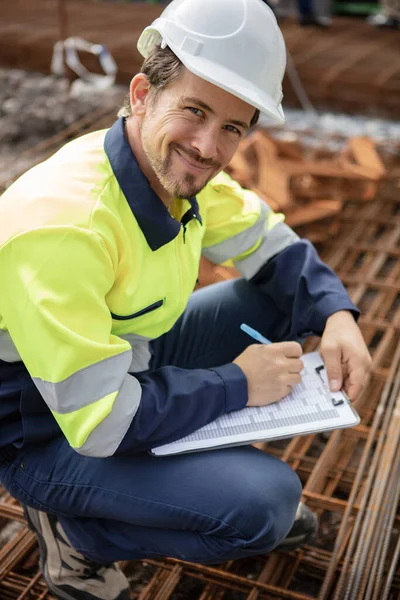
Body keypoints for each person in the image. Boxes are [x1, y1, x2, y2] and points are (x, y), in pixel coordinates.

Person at [0, 0, 371, 599]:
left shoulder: (168, 170)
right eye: (194, 111)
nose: (207, 146)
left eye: (232, 126)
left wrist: (337, 314)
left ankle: (184, 481)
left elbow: (270, 242)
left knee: (279, 298)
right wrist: (236, 383)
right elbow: (101, 423)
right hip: (49, 431)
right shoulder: (63, 229)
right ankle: (82, 535)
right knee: (264, 506)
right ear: (143, 93)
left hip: (128, 363)